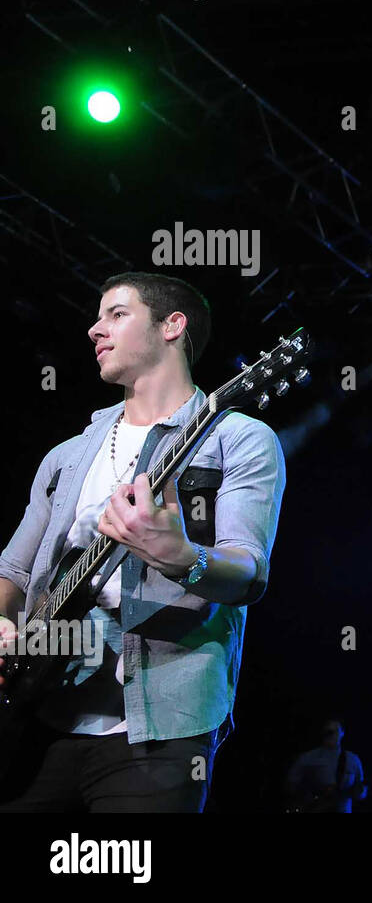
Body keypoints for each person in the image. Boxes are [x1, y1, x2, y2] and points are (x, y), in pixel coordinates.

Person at [0, 272, 286, 812]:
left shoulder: (240, 438)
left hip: (159, 728)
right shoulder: (67, 454)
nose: (94, 329)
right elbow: (13, 571)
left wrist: (181, 555)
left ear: (172, 326)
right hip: (39, 716)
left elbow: (249, 571)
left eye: (116, 314)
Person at [285, 718, 367, 813]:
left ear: (342, 733)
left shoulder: (353, 760)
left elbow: (361, 789)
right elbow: (290, 786)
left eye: (335, 730)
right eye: (328, 731)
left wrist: (361, 792)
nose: (331, 733)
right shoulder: (307, 758)